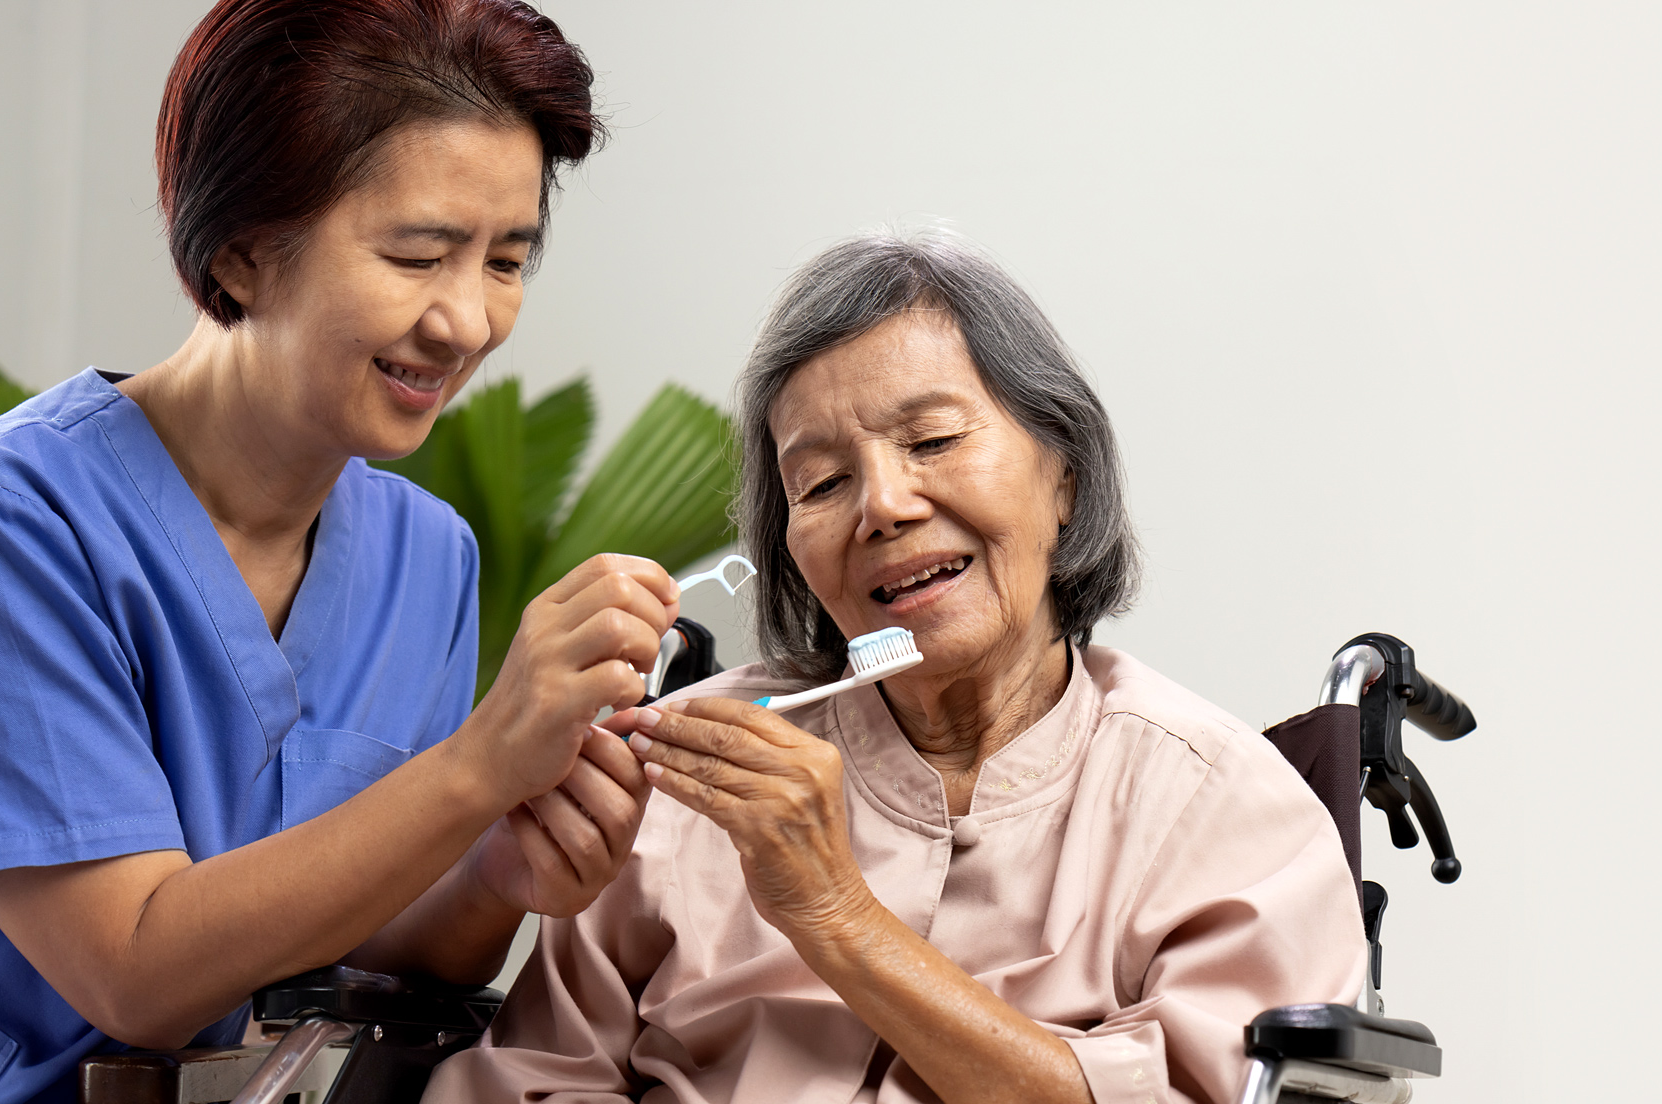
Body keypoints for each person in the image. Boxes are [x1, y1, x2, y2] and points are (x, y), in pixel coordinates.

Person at [0, 3, 669, 1101]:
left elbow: (366, 953)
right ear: (239, 250)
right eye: (417, 255)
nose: (466, 321)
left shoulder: (426, 555)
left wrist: (500, 873)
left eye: (506, 261)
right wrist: (479, 764)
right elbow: (136, 974)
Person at [425, 231, 1367, 1104]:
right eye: (822, 483)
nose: (882, 505)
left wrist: (836, 914)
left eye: (932, 441)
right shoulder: (682, 781)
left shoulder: (1222, 804)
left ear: (1065, 476)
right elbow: (538, 1077)